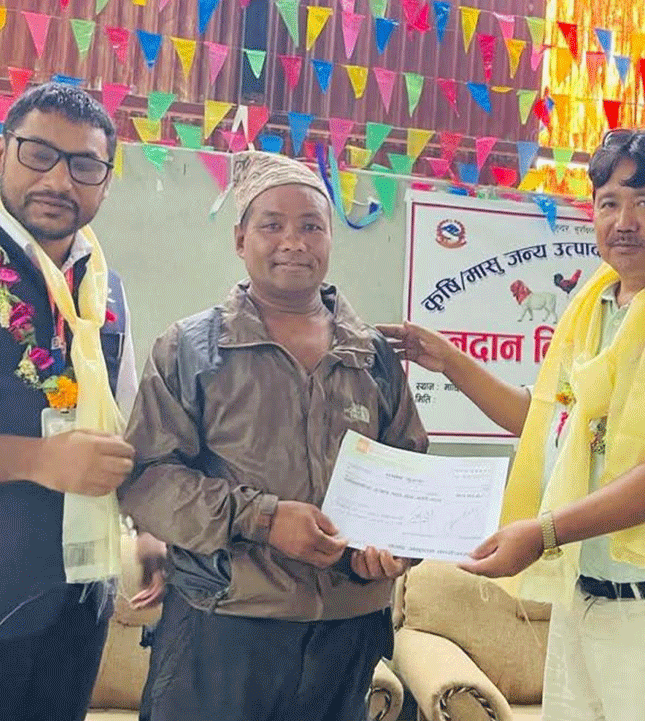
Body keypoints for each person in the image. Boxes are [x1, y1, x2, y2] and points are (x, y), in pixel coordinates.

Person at [382, 129, 645, 721]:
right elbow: (547, 424)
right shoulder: (593, 311)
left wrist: (544, 532)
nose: (624, 222)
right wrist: (449, 361)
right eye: (609, 203)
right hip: (583, 601)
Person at [118, 151, 428, 721]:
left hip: (346, 632)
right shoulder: (191, 350)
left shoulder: (371, 356)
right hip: (221, 626)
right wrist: (262, 518)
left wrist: (392, 549)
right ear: (240, 239)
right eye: (272, 225)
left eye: (311, 226)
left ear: (330, 239)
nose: (293, 242)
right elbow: (147, 480)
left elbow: (409, 472)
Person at [0, 83, 138, 721]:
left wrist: (148, 529)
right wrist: (36, 460)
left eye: (84, 164)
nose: (58, 179)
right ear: (5, 150)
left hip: (76, 600)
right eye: (38, 154)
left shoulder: (106, 290)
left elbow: (127, 421)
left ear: (105, 181)